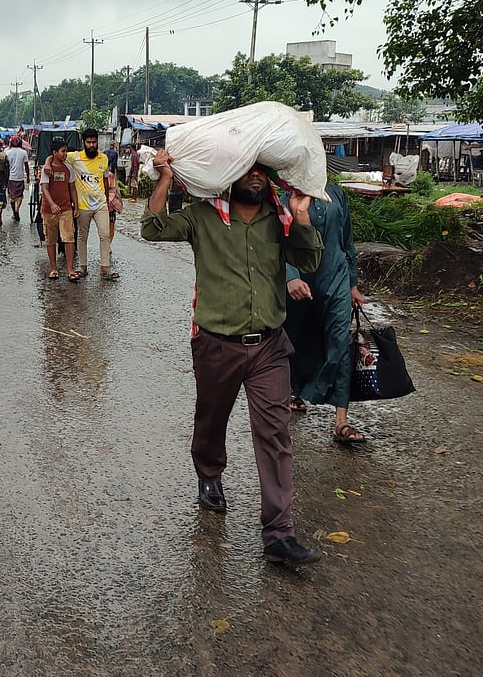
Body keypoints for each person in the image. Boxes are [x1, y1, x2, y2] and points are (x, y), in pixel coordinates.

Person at [141, 151, 325, 567]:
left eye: (263, 170)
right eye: (248, 169)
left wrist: (300, 214)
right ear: (229, 176)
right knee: (211, 419)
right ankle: (209, 473)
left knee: (276, 434)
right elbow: (151, 229)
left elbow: (310, 260)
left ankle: (279, 533)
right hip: (216, 344)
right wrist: (165, 177)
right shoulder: (201, 217)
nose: (257, 176)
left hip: (270, 347)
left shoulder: (278, 218)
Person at [284, 183, 367, 444]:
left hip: (336, 277)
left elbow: (346, 240)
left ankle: (341, 420)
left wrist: (352, 284)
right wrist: (290, 277)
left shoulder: (336, 194)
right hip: (301, 281)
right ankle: (293, 390)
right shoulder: (284, 199)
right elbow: (275, 244)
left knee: (340, 342)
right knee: (297, 337)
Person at [66, 129, 117, 280]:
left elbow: (106, 180)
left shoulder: (103, 158)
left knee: (105, 235)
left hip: (101, 205)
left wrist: (107, 200)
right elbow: (55, 155)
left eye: (94, 142)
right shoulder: (74, 157)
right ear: (84, 143)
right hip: (83, 206)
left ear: (97, 142)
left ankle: (105, 268)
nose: (91, 145)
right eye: (88, 142)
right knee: (82, 236)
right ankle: (82, 267)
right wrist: (49, 163)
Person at [40, 140, 78, 281]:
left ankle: (70, 270)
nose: (65, 154)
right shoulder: (47, 169)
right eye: (62, 151)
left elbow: (72, 188)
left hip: (66, 208)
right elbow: (44, 188)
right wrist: (52, 204)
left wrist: (76, 206)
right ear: (55, 153)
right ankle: (54, 269)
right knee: (50, 239)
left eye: (66, 151)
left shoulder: (68, 168)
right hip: (49, 209)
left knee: (69, 238)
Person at [4, 135, 30, 222]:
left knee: (11, 196)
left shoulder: (7, 152)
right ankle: (17, 209)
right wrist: (28, 177)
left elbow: (5, 166)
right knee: (20, 196)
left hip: (10, 177)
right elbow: (26, 165)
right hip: (20, 177)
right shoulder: (23, 152)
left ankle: (14, 211)